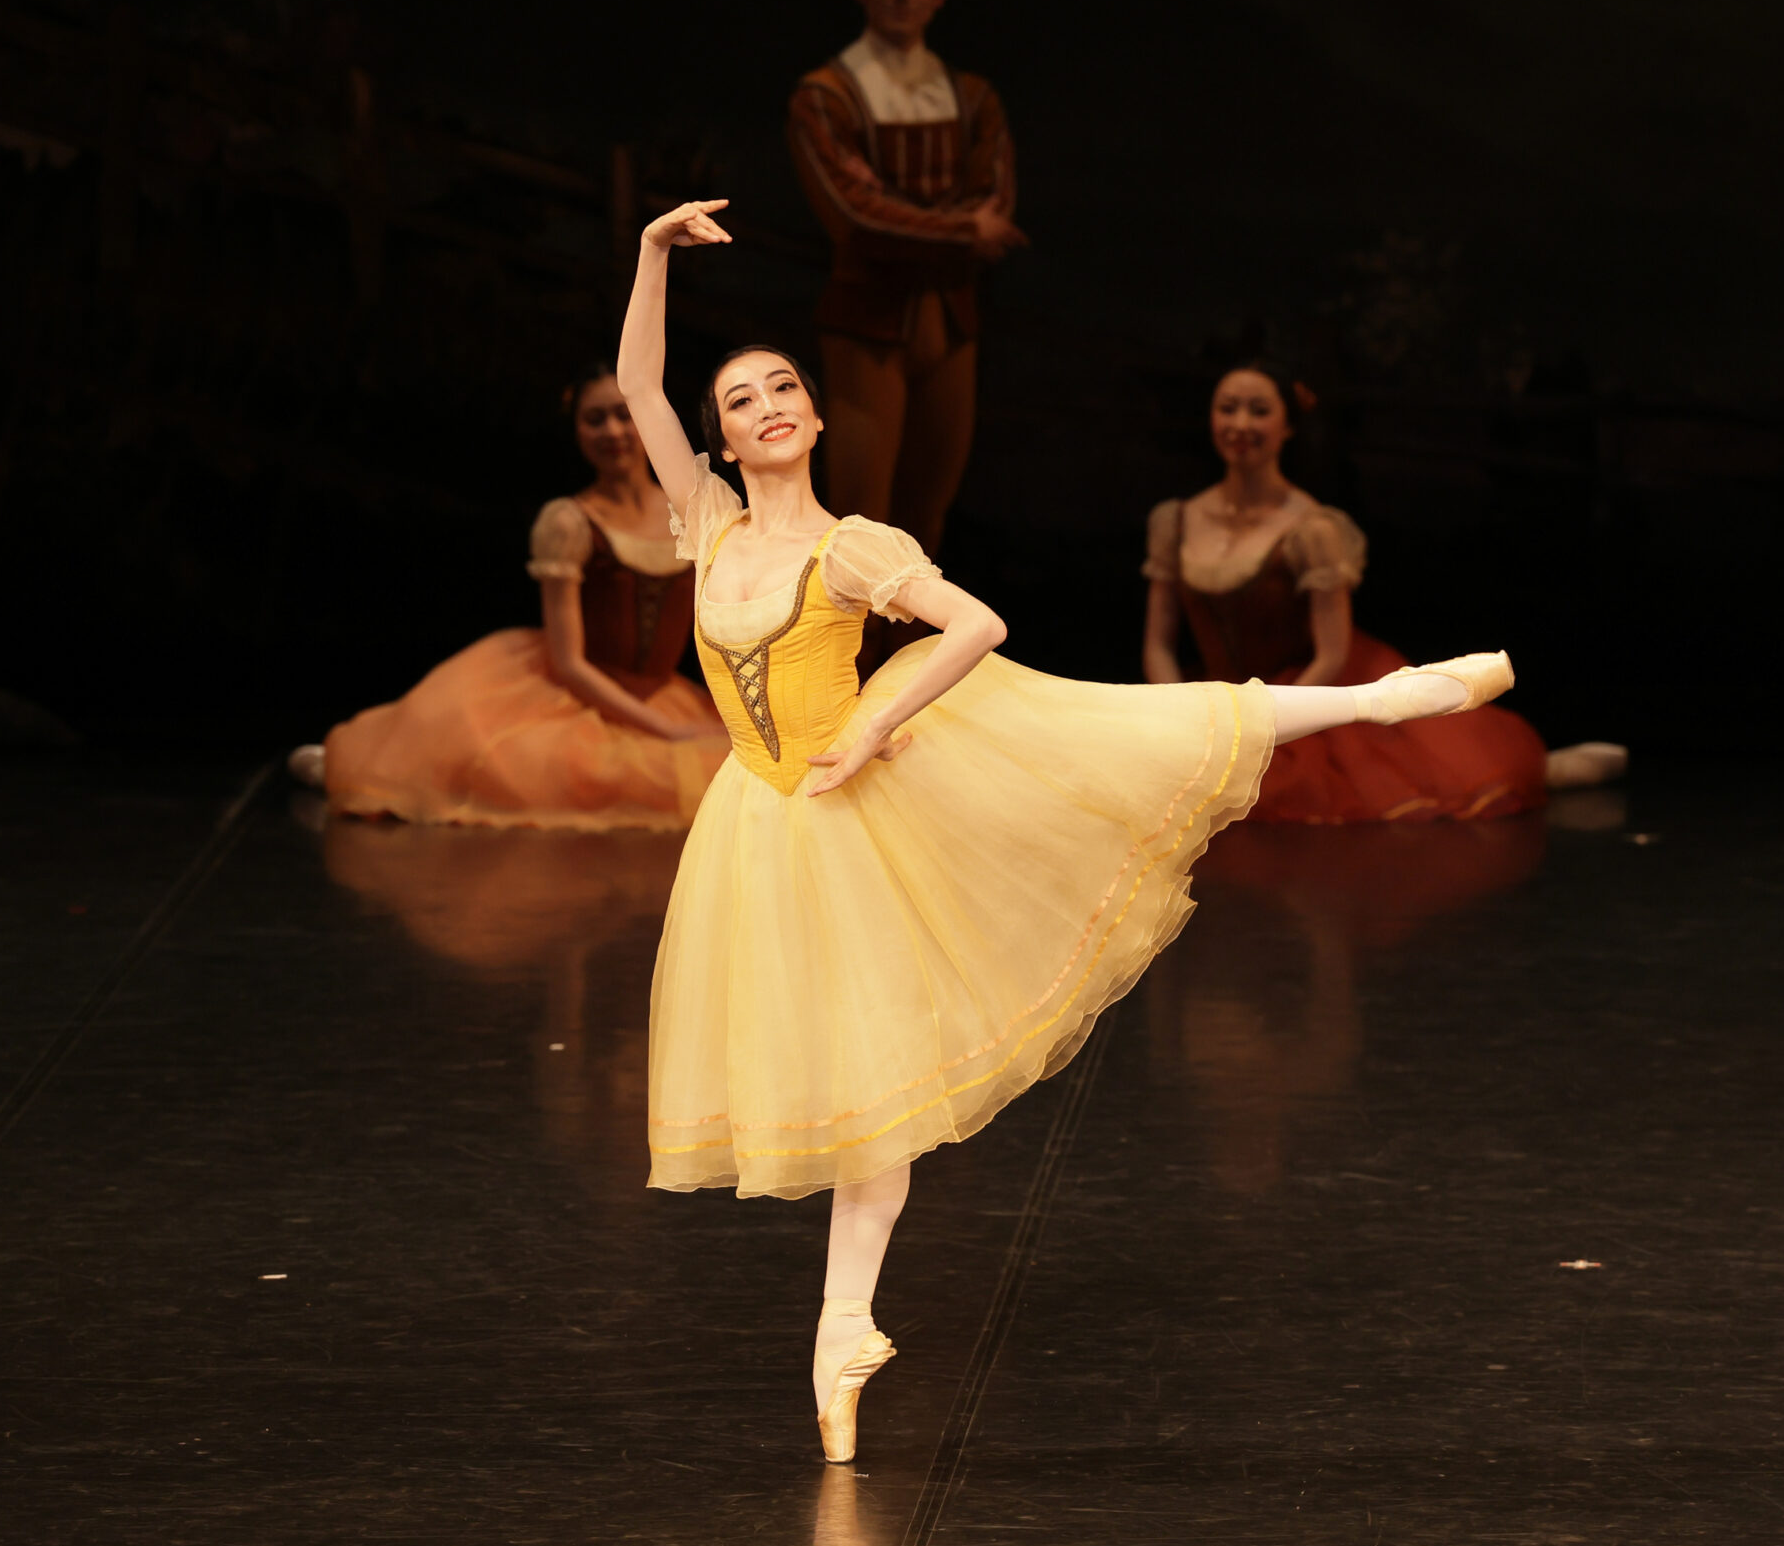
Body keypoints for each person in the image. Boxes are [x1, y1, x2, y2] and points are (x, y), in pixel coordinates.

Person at [620, 202, 1517, 1462]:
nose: (764, 406)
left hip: (850, 805)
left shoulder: (850, 548)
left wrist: (873, 730)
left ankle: (1378, 698)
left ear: (816, 421)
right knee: (859, 1082)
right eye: (739, 400)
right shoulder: (707, 525)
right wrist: (652, 256)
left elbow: (975, 626)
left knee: (1125, 740)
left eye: (784, 390)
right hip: (756, 827)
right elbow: (636, 386)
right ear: (720, 438)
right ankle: (845, 1332)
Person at [1143, 361, 1625, 823]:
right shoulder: (1177, 521)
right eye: (1228, 408)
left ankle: (1540, 769)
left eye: (1259, 410)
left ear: (1287, 426)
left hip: (1300, 695)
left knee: (1422, 773)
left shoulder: (1310, 529)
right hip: (1215, 697)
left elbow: (1332, 655)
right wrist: (1179, 714)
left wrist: (1264, 724)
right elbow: (1159, 642)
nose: (1240, 424)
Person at [292, 363, 731, 829]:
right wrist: (669, 731)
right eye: (595, 419)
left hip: (666, 694)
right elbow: (569, 664)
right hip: (580, 695)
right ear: (577, 431)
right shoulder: (570, 522)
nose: (613, 431)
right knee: (516, 764)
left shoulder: (692, 509)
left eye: (624, 415)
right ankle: (357, 765)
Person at [786, 0, 1024, 559]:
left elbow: (994, 204)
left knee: (929, 516)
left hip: (950, 318)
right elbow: (854, 218)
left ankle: (918, 630)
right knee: (860, 519)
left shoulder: (972, 98)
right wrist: (961, 230)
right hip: (868, 320)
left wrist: (919, 225)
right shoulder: (826, 96)